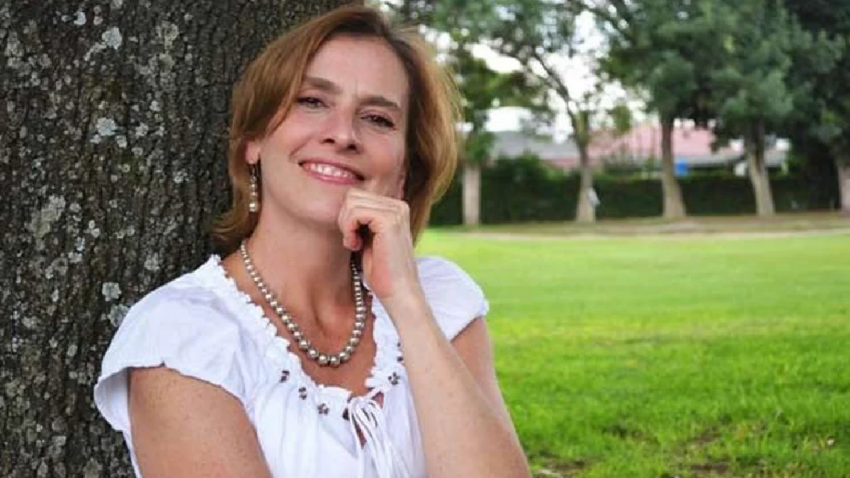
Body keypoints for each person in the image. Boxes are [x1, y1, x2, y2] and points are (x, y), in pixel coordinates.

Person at [94, 5, 531, 478]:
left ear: (404, 169)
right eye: (312, 101)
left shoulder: (441, 301)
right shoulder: (182, 336)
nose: (343, 134)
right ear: (253, 140)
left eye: (378, 118)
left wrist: (406, 302)